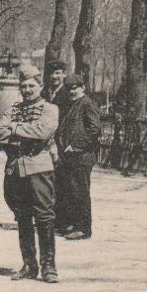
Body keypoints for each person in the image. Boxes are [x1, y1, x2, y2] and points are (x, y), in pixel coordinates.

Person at [0, 64, 60, 284]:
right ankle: (29, 265)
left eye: (32, 85)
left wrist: (14, 129)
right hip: (16, 170)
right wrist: (20, 132)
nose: (27, 89)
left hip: (40, 169)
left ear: (40, 86)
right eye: (23, 86)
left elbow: (43, 131)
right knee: (22, 219)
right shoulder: (13, 109)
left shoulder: (50, 109)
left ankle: (49, 267)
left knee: (44, 217)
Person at [54, 74, 100, 241]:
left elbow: (94, 129)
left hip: (82, 155)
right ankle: (72, 224)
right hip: (69, 156)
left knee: (80, 192)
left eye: (75, 88)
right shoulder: (71, 105)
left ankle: (84, 228)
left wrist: (76, 145)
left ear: (83, 88)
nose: (72, 91)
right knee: (70, 191)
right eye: (69, 88)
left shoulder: (87, 104)